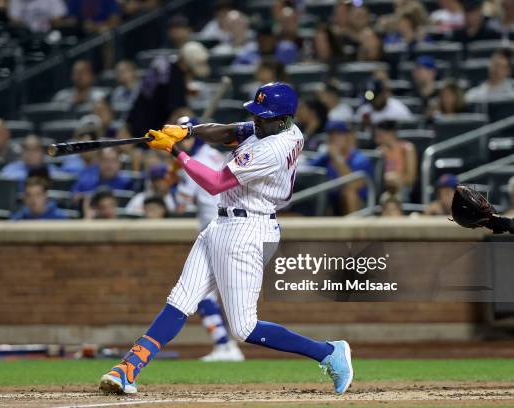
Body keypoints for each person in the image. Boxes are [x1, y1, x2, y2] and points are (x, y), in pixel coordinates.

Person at [99, 82, 353, 396]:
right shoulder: (277, 129)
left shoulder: (272, 148)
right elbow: (231, 131)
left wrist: (175, 151)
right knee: (181, 299)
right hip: (222, 224)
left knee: (244, 327)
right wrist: (187, 131)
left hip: (248, 231)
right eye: (257, 114)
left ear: (284, 118)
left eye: (265, 117)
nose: (258, 121)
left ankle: (328, 352)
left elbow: (216, 183)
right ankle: (128, 368)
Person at [172, 115, 244, 362]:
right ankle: (225, 344)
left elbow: (179, 205)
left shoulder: (194, 160)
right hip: (229, 227)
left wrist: (176, 173)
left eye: (184, 134)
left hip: (218, 230)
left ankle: (225, 345)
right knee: (209, 293)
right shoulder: (213, 154)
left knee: (201, 293)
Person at [125, 41, 210, 139]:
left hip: (144, 121)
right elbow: (180, 110)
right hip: (145, 127)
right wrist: (200, 129)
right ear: (186, 63)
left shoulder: (170, 68)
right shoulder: (175, 75)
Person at [310, 120, 373, 215]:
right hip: (331, 200)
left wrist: (337, 158)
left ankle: (353, 228)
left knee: (349, 193)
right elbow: (308, 171)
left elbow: (354, 185)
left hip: (360, 205)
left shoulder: (360, 159)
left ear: (348, 137)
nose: (334, 138)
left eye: (339, 134)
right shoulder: (326, 157)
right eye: (331, 134)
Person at [373, 120, 418, 200]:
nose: (377, 140)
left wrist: (394, 178)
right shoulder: (380, 151)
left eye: (380, 136)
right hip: (383, 187)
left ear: (391, 134)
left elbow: (410, 179)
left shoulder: (407, 148)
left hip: (403, 187)